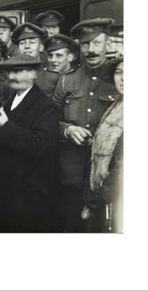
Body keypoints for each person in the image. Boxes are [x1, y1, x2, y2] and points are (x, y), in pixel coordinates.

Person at [52, 18, 120, 232]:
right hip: (70, 173)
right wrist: (67, 130)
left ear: (107, 45)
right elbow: (49, 120)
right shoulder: (66, 80)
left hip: (104, 175)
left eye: (97, 43)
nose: (91, 50)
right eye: (85, 44)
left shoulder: (118, 78)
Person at [0, 54, 59, 232]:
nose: (12, 77)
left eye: (18, 72)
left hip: (26, 195)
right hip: (5, 192)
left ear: (34, 73)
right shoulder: (9, 101)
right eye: (10, 72)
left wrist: (6, 126)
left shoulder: (45, 106)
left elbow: (41, 145)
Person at [87, 57, 123, 233]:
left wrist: (106, 192)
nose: (123, 78)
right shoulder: (119, 104)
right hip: (107, 192)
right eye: (119, 72)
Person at [37, 33, 78, 99]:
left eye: (58, 56)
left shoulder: (78, 78)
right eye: (50, 56)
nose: (53, 60)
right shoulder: (42, 78)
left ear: (70, 57)